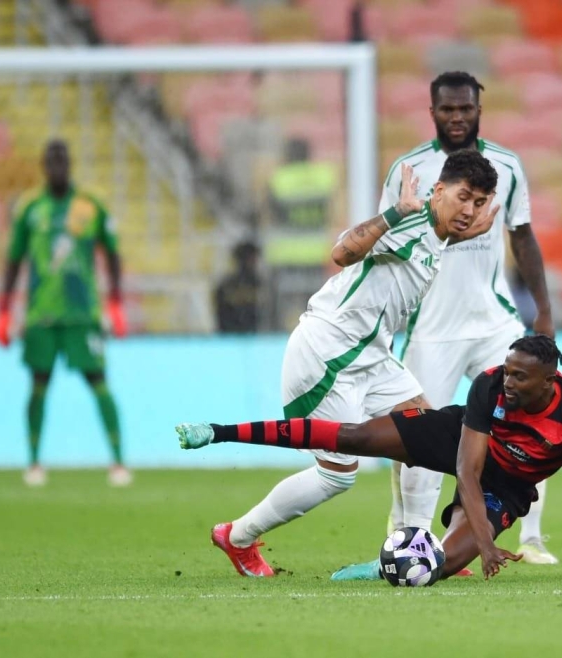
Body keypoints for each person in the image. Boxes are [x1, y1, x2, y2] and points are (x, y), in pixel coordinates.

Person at [202, 149, 500, 577]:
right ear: (438, 191)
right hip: (328, 353)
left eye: (479, 202)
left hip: (370, 355)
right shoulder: (411, 221)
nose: (470, 210)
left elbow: (423, 249)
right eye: (463, 197)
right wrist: (396, 212)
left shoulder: (435, 234)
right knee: (338, 474)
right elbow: (342, 253)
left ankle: (416, 546)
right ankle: (237, 536)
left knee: (429, 433)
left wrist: (462, 236)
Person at [177, 335, 562, 582]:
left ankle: (383, 567)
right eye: (507, 371)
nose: (507, 381)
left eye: (519, 376)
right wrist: (488, 544)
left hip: (508, 486)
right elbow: (467, 470)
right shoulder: (490, 385)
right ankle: (221, 431)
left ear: (549, 381)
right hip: (460, 440)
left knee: (435, 567)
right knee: (354, 436)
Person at [371, 71, 558, 574]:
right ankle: (411, 534)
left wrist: (543, 310)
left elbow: (522, 236)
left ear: (479, 110)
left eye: (465, 108)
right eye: (448, 109)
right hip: (431, 327)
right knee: (417, 432)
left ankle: (532, 537)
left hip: (495, 322)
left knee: (530, 422)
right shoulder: (410, 169)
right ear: (432, 112)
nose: (457, 117)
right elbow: (389, 239)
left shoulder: (508, 166)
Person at [0, 139, 130, 488]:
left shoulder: (89, 205)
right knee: (38, 384)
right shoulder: (30, 208)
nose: (58, 167)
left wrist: (116, 303)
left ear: (70, 165)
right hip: (41, 314)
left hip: (83, 314)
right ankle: (34, 463)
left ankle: (118, 462)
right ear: (44, 166)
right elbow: (14, 260)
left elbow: (113, 254)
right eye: (52, 161)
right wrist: (4, 311)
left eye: (63, 161)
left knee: (99, 381)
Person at [214, 241, 262, 334]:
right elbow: (221, 317)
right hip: (231, 336)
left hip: (256, 336)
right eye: (251, 259)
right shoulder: (226, 286)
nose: (254, 263)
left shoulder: (261, 284)